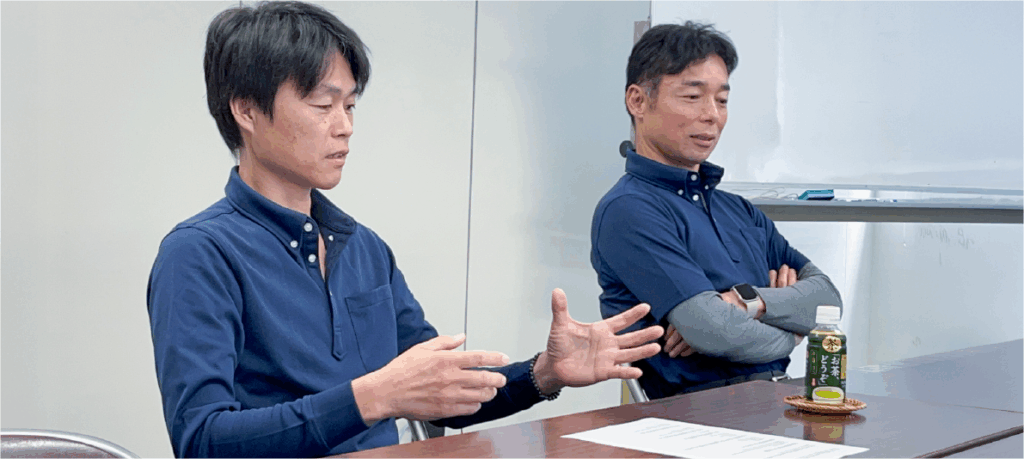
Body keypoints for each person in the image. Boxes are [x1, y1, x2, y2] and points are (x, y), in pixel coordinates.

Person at [147, 2, 663, 457]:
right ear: (246, 110)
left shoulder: (364, 248)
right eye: (323, 105)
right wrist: (375, 397)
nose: (345, 125)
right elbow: (203, 441)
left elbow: (444, 393)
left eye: (350, 105)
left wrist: (544, 373)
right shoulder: (199, 253)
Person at [590, 22, 843, 400]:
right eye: (693, 97)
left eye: (722, 100)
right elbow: (714, 329)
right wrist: (793, 330)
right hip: (698, 414)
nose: (711, 115)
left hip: (781, 401)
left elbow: (828, 302)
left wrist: (746, 302)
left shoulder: (738, 210)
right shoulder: (629, 210)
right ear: (638, 101)